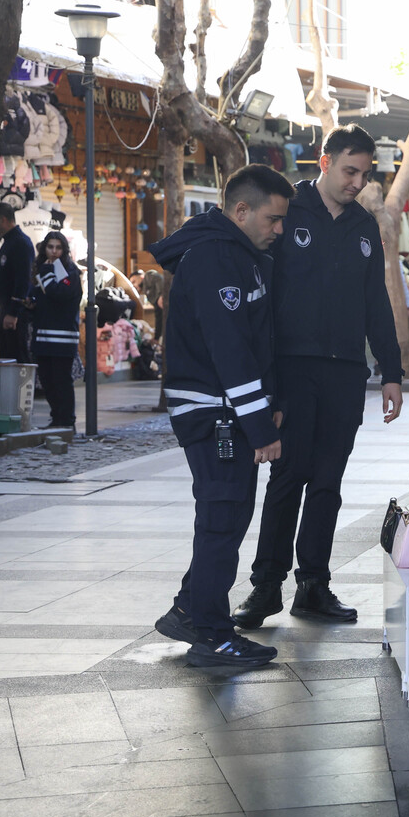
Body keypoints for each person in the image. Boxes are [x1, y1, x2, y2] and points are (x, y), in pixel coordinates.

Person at [234, 125, 404, 629]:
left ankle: (313, 586)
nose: (358, 182)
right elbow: (262, 298)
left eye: (365, 173)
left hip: (346, 373)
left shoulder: (363, 226)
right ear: (324, 162)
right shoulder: (287, 211)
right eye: (350, 170)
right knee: (289, 477)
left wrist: (390, 372)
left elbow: (378, 303)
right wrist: (265, 379)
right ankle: (265, 588)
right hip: (293, 370)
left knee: (328, 482)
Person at [149, 164, 293, 668]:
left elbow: (252, 343)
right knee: (223, 519)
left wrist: (266, 406)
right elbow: (230, 350)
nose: (279, 230)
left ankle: (192, 610)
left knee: (225, 517)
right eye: (273, 219)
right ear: (240, 210)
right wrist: (258, 424)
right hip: (216, 414)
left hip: (222, 412)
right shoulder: (215, 259)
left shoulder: (237, 255)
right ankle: (211, 634)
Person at [24, 231, 82, 429]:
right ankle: (56, 419)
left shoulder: (70, 272)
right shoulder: (41, 269)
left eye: (58, 248)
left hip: (63, 336)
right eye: (50, 247)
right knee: (47, 380)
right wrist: (31, 303)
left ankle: (67, 422)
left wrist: (46, 275)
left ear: (64, 250)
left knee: (61, 380)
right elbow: (42, 297)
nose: (54, 252)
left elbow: (60, 294)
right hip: (43, 335)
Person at [0, 203, 34, 362]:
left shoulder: (20, 243)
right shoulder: (9, 242)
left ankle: (20, 388)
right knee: (7, 357)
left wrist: (13, 313)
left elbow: (23, 280)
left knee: (17, 358)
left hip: (14, 315)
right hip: (5, 311)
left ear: (3, 220)